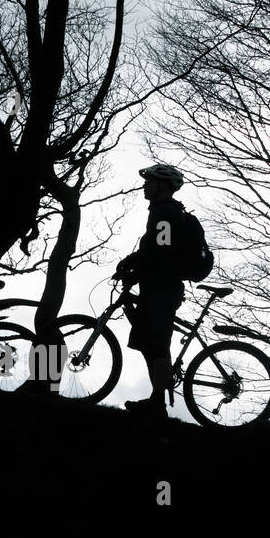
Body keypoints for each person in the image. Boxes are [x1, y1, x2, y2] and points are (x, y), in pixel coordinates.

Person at [116, 162, 191, 418]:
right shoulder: (163, 211)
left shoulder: (165, 212)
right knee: (151, 343)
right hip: (158, 285)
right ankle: (155, 400)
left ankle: (158, 404)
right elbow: (155, 248)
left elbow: (161, 250)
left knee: (157, 344)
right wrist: (133, 262)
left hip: (162, 288)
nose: (144, 185)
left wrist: (135, 269)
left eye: (149, 181)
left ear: (162, 185)